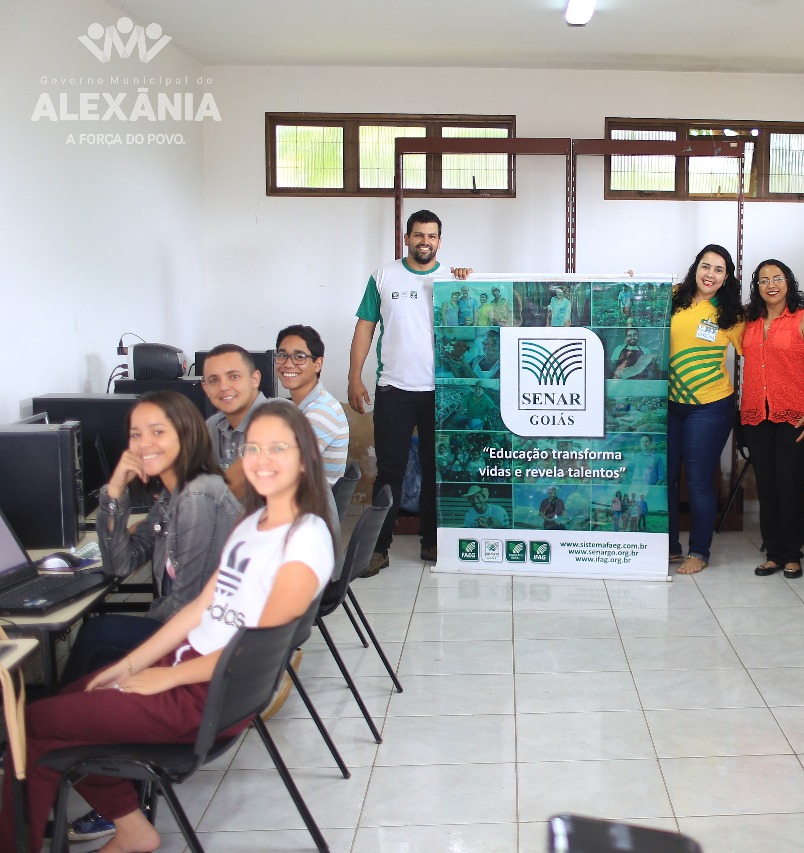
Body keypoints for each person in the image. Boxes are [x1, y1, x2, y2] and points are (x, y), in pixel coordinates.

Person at [0, 401, 335, 853]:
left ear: (307, 455)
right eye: (253, 448)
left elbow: (252, 653)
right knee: (64, 708)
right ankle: (132, 830)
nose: (262, 459)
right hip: (191, 670)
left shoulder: (303, 542)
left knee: (31, 724)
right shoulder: (254, 521)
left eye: (279, 447)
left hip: (206, 698)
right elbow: (201, 605)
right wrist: (135, 662)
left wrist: (167, 676)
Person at [58, 392, 242, 844]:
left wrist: (138, 654)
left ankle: (87, 755)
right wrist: (115, 492)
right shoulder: (173, 493)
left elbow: (186, 604)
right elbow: (121, 565)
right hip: (187, 630)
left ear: (187, 433)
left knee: (99, 633)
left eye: (157, 432)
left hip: (196, 641)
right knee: (101, 634)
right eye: (135, 435)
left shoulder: (199, 496)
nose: (143, 444)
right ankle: (83, 751)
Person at [348, 209, 472, 576]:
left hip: (441, 390)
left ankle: (432, 542)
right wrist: (354, 377)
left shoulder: (453, 280)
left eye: (431, 236)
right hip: (394, 388)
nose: (424, 242)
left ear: (439, 241)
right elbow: (365, 328)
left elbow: (473, 325)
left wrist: (467, 279)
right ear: (407, 238)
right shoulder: (384, 276)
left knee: (438, 469)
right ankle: (378, 547)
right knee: (389, 471)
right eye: (418, 235)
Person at [739, 259, 804, 580]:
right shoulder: (748, 321)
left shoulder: (803, 319)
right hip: (755, 416)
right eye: (763, 280)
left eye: (777, 278)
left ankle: (793, 554)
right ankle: (773, 553)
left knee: (789, 485)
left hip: (796, 416)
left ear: (788, 282)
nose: (771, 284)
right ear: (757, 287)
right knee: (766, 486)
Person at [667, 244, 744, 574]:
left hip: (710, 407)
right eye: (705, 266)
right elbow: (636, 301)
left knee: (698, 481)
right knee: (665, 479)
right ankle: (670, 547)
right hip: (670, 404)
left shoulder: (732, 316)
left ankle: (699, 551)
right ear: (695, 268)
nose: (710, 274)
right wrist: (634, 282)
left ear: (726, 278)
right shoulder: (672, 298)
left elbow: (759, 357)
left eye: (718, 270)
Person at [275, 324, 349, 486]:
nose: (288, 364)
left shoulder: (322, 412)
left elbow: (282, 469)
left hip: (309, 506)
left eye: (299, 357)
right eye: (282, 355)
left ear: (317, 364)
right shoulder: (299, 406)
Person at [202, 343, 270, 503]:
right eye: (214, 380)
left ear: (255, 379)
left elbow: (230, 491)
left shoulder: (279, 417)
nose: (223, 387)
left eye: (234, 376)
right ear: (205, 389)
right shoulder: (212, 426)